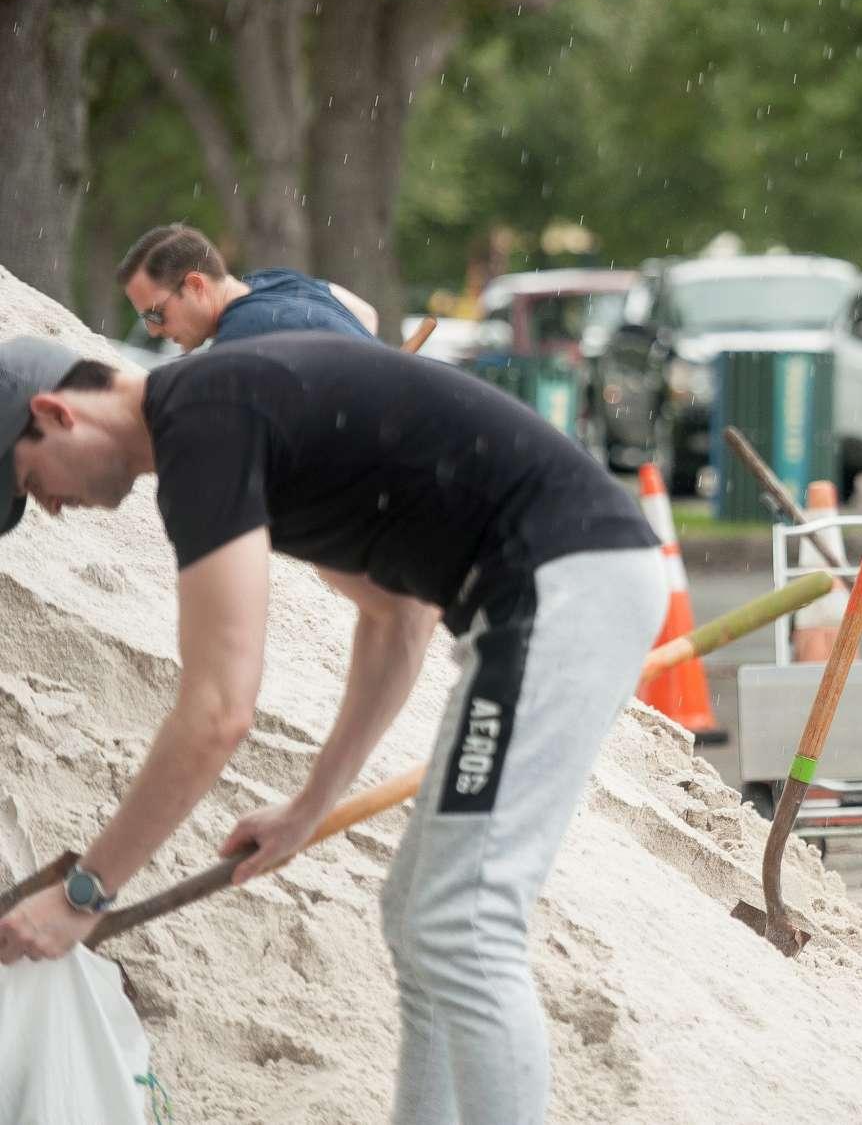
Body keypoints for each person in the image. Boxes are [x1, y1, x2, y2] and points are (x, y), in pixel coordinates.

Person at [0, 330, 666, 1124]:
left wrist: (87, 891)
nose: (43, 506)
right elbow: (397, 620)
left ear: (54, 412)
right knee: (420, 915)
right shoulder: (231, 414)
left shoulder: (205, 429)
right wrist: (309, 807)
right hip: (544, 589)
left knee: (465, 920)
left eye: (24, 480)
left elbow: (218, 710)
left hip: (562, 583)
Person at [118, 222, 379, 351]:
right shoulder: (278, 281)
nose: (152, 330)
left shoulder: (240, 342)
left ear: (196, 285)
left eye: (156, 313)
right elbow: (366, 315)